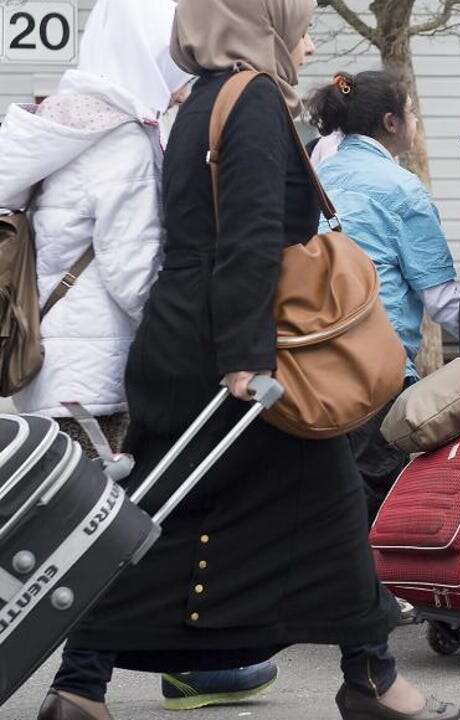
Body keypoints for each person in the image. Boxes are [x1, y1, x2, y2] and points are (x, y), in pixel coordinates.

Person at [35, 2, 460, 720]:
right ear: (257, 21)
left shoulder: (203, 98)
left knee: (166, 514)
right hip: (232, 357)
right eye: (297, 19)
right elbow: (251, 236)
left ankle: (80, 684)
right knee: (318, 509)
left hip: (185, 343)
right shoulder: (255, 98)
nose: (310, 36)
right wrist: (243, 358)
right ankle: (373, 682)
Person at [0, 0, 283, 714]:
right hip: (98, 375)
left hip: (50, 363)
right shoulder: (121, 140)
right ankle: (83, 682)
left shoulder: (51, 123)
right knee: (104, 538)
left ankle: (201, 664)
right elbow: (132, 275)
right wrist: (193, 316)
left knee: (85, 532)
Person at [308, 70, 460, 521]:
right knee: (379, 506)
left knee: (331, 505)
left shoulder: (316, 175)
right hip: (376, 368)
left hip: (312, 365)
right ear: (392, 123)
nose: (416, 121)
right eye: (412, 112)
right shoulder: (403, 190)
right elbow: (441, 300)